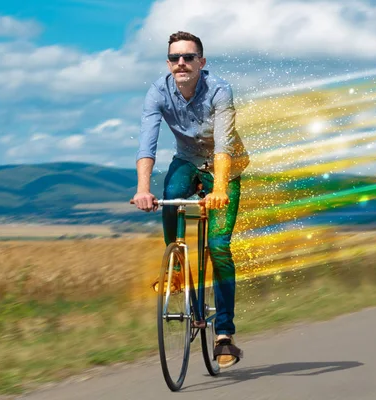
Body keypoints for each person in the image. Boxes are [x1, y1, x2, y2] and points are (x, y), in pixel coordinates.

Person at [132, 31, 249, 369]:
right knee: (170, 195)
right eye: (174, 58)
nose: (180, 63)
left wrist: (221, 188)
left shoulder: (219, 90)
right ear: (168, 63)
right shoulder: (158, 92)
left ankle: (224, 334)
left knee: (219, 244)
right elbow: (147, 144)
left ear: (201, 62)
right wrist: (143, 189)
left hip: (226, 167)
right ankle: (177, 268)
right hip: (186, 161)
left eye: (188, 57)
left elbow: (224, 144)